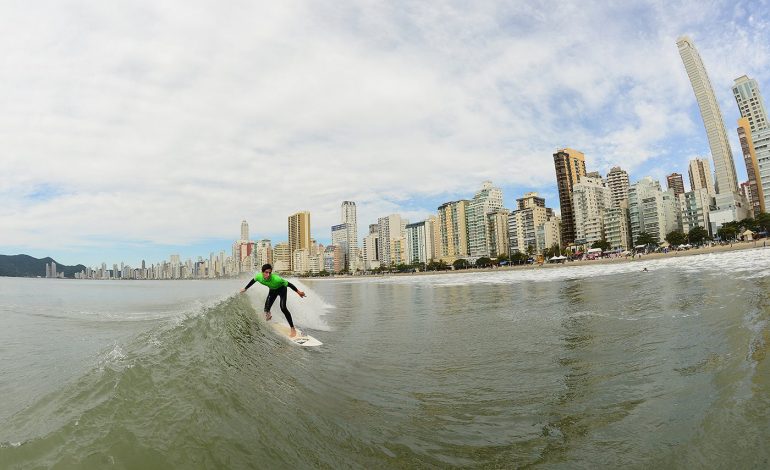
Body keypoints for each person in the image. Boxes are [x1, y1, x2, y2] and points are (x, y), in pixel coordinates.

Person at [240, 264, 306, 337]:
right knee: (266, 310)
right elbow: (253, 281)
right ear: (262, 272)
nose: (268, 274)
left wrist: (298, 292)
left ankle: (292, 328)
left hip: (282, 290)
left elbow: (289, 284)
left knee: (283, 308)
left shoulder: (277, 279)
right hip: (272, 291)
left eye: (270, 272)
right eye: (266, 272)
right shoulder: (258, 277)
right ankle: (269, 315)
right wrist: (245, 288)